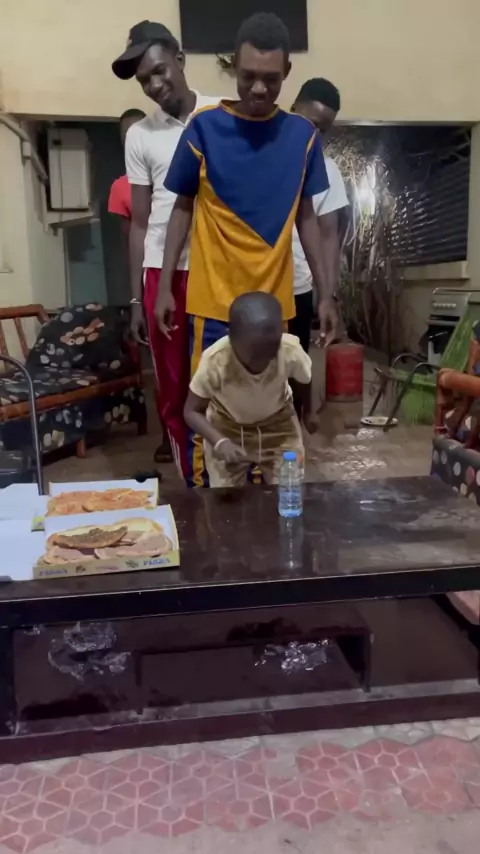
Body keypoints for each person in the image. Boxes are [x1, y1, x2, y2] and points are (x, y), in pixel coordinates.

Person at [156, 12, 338, 486]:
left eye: (271, 79)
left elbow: (307, 217)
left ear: (287, 73)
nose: (259, 89)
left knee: (271, 417)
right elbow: (182, 206)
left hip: (272, 315)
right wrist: (165, 286)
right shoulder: (204, 128)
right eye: (248, 76)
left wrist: (326, 293)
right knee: (209, 421)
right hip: (213, 307)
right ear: (233, 67)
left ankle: (264, 523)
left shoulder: (303, 138)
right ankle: (209, 515)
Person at [111, 20, 219, 476]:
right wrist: (137, 298)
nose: (154, 86)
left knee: (220, 381)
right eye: (144, 81)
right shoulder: (141, 135)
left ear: (180, 59)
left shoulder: (222, 114)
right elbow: (139, 222)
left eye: (159, 71)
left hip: (217, 269)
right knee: (174, 389)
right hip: (162, 273)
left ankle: (229, 479)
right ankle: (191, 480)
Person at [184, 293, 314, 488]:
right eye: (254, 356)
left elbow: (305, 381)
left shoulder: (290, 351)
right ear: (231, 338)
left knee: (288, 487)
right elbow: (191, 411)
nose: (261, 363)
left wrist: (309, 412)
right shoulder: (216, 360)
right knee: (226, 495)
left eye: (270, 353)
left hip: (279, 426)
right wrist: (219, 442)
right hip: (227, 426)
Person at [108, 108, 173, 463]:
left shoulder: (173, 168)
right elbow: (132, 242)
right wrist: (136, 298)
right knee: (163, 368)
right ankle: (167, 435)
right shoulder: (122, 188)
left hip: (189, 273)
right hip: (152, 278)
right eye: (125, 136)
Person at [290, 78, 349, 355]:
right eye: (310, 124)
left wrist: (328, 296)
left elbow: (329, 238)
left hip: (297, 290)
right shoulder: (262, 155)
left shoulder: (328, 171)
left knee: (295, 369)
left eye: (322, 130)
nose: (314, 134)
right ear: (293, 110)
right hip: (252, 287)